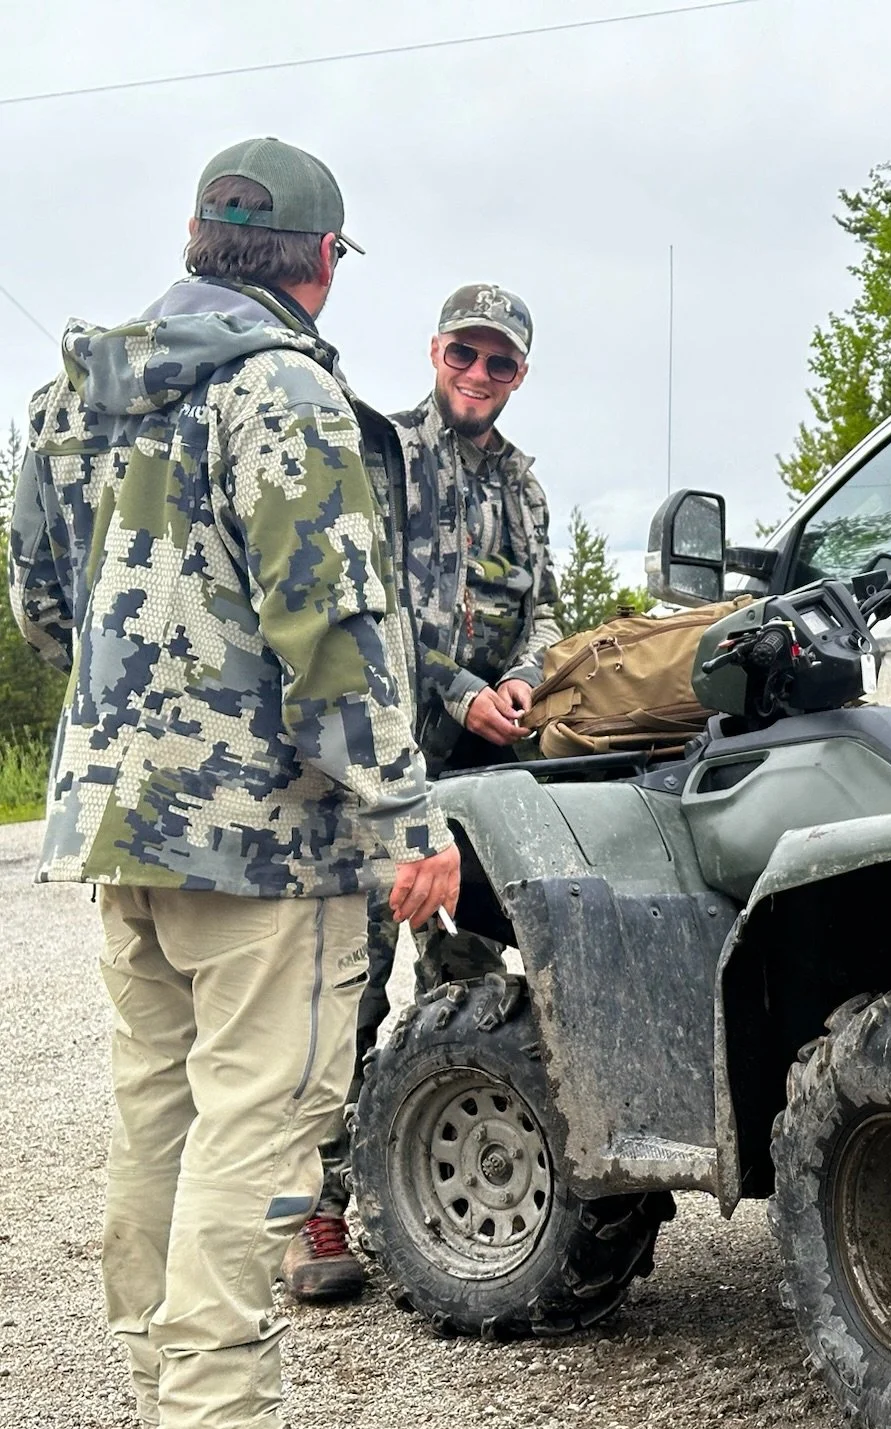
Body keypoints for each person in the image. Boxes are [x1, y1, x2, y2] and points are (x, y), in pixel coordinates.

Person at [8, 137, 461, 1429]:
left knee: (162, 1111)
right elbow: (333, 627)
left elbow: (38, 606)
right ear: (321, 264)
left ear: (201, 240)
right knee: (261, 1124)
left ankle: (168, 1407)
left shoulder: (71, 394)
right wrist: (405, 815)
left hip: (121, 822)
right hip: (267, 841)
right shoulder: (285, 394)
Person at [284, 283, 560, 1302]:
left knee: (469, 981)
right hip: (373, 765)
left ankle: (434, 1200)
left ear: (519, 374)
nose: (479, 376)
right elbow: (366, 611)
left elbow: (543, 608)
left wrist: (526, 678)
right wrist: (457, 686)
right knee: (344, 989)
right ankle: (313, 1209)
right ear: (435, 352)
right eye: (465, 354)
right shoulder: (382, 455)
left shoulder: (523, 489)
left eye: (500, 363)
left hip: (477, 778)